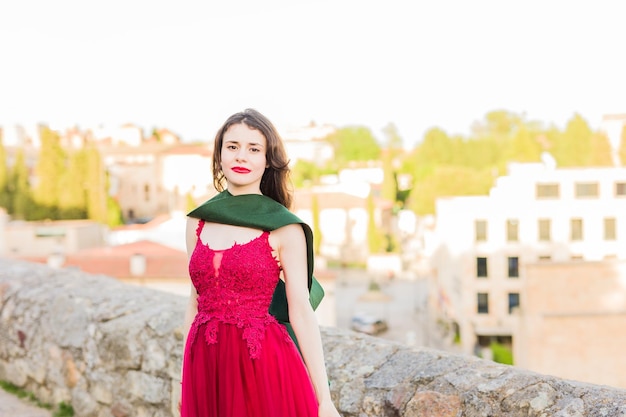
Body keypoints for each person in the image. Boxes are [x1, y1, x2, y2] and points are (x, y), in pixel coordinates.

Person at [179, 108, 341, 417]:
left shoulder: (284, 228)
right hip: (205, 367)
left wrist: (325, 400)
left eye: (254, 149)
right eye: (233, 147)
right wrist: (185, 381)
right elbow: (194, 302)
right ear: (219, 154)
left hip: (262, 366)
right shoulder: (197, 221)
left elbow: (301, 313)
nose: (242, 157)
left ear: (268, 160)